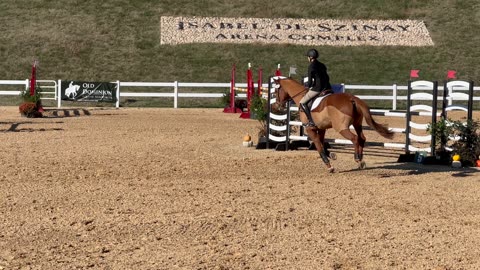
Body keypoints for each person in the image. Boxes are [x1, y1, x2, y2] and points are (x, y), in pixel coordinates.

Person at [299, 48, 333, 127]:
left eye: (308, 56)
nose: (307, 58)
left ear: (310, 57)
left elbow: (310, 82)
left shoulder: (311, 66)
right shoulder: (322, 65)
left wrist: (308, 85)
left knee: (302, 102)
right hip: (327, 87)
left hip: (318, 88)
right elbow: (326, 77)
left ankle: (311, 121)